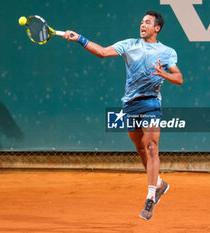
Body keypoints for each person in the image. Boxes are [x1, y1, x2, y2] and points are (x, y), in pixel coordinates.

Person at [63, 11, 183, 220]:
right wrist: (79, 39)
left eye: (147, 22)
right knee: (140, 148)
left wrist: (164, 74)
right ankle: (160, 185)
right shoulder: (129, 44)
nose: (142, 25)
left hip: (151, 102)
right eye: (141, 22)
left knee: (152, 146)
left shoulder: (167, 52)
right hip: (130, 104)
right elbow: (102, 52)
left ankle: (150, 196)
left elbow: (179, 78)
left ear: (157, 28)